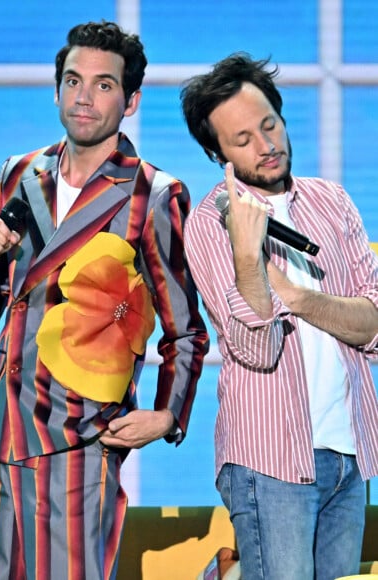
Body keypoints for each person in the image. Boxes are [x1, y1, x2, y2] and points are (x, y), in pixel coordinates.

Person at [0, 21, 209, 580]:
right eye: (73, 80)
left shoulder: (154, 195)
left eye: (104, 84)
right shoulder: (19, 173)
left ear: (131, 100)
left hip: (76, 438)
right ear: (57, 88)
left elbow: (185, 329)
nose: (84, 96)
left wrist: (166, 416)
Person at [179, 52, 378, 580]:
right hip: (268, 460)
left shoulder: (332, 203)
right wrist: (248, 258)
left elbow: (374, 327)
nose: (266, 146)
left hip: (349, 452)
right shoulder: (207, 225)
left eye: (270, 125)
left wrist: (301, 297)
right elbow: (257, 350)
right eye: (242, 139)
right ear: (215, 151)